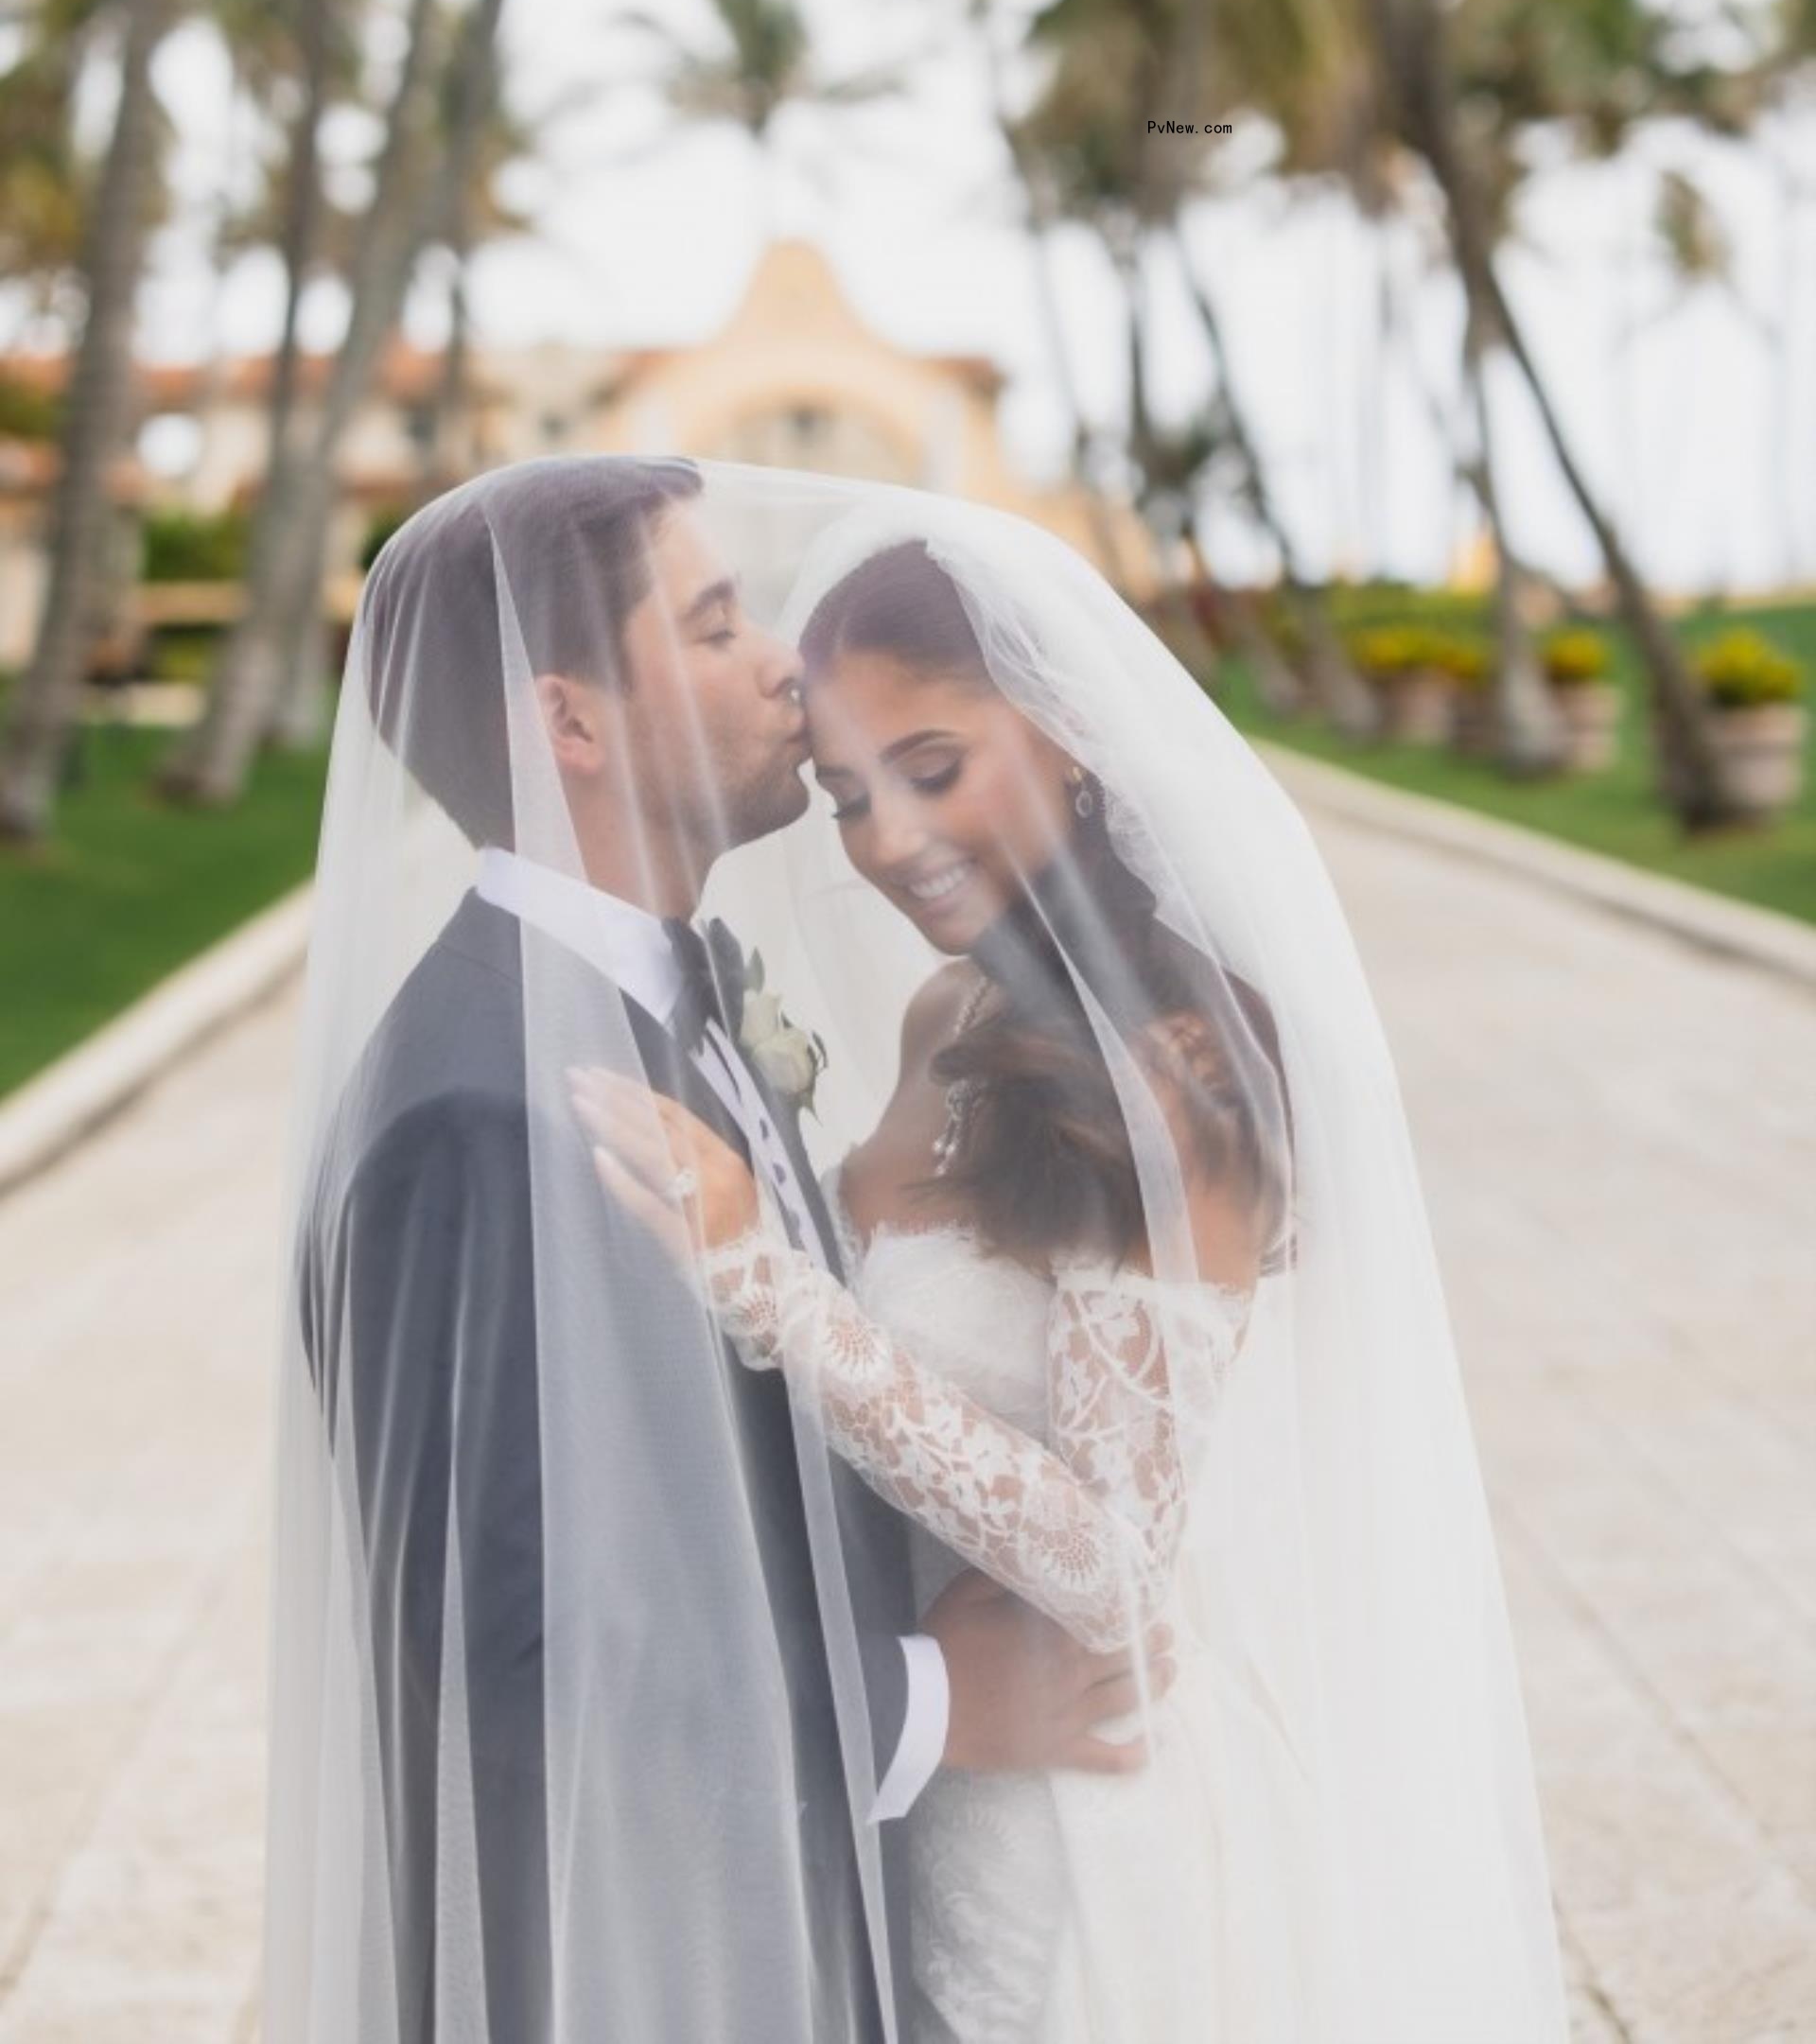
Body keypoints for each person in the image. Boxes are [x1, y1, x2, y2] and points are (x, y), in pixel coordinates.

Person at [577, 506, 1572, 2042]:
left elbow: (1116, 1559)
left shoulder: (1174, 1081)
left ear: (1069, 739)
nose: (888, 842)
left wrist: (762, 1282)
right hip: (946, 1782)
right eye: (848, 796)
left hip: (1086, 1828)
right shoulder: (947, 1018)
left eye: (933, 767)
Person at [266, 459, 1173, 2044]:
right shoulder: (475, 1108)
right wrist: (937, 1700)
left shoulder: (669, 1005)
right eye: (715, 624)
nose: (782, 662)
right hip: (640, 1972)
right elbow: (510, 1659)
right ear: (571, 723)